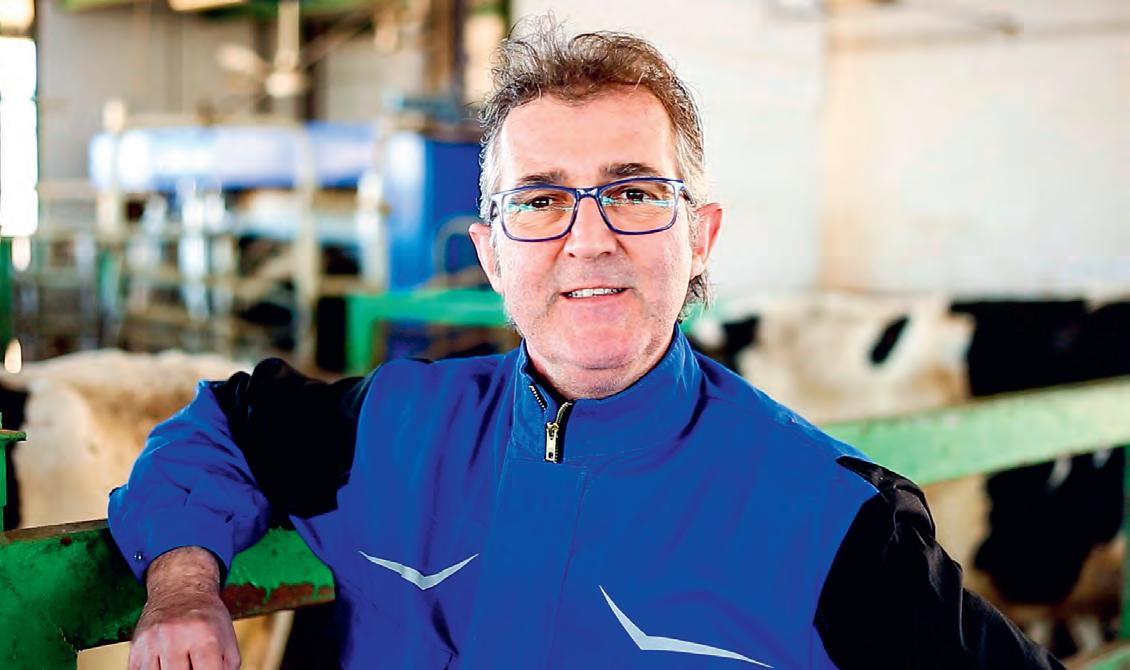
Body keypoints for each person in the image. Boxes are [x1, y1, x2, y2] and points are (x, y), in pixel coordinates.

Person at [109, 20, 1064, 670]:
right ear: (490, 253)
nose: (590, 237)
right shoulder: (393, 431)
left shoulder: (829, 525)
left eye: (635, 191)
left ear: (701, 237)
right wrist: (185, 582)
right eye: (540, 200)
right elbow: (219, 426)